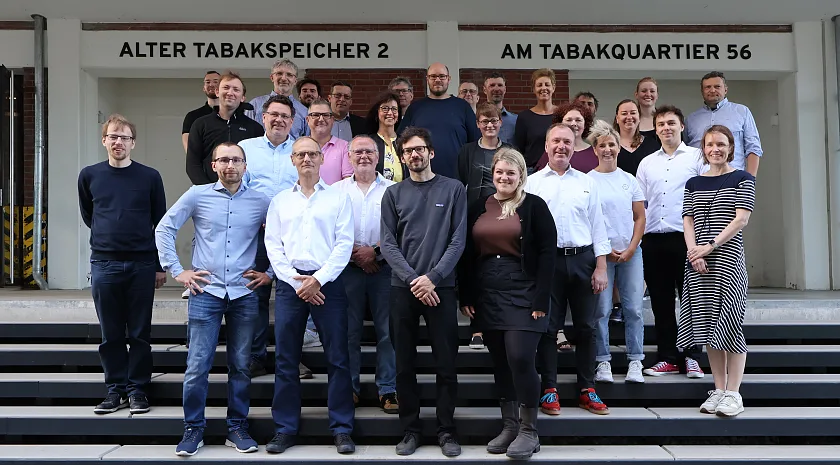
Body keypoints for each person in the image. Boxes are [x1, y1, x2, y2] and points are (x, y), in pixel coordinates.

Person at [156, 142, 271, 456]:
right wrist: (177, 270)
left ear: (245, 165)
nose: (230, 165)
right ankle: (193, 430)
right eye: (224, 159)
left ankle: (237, 428)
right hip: (205, 292)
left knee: (241, 366)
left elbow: (282, 237)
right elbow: (165, 227)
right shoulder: (197, 195)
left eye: (236, 160)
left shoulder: (262, 201)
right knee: (197, 366)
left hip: (244, 293)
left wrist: (270, 273)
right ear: (213, 164)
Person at [458, 148, 555, 460]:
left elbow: (547, 253)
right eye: (499, 172)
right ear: (493, 174)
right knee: (500, 360)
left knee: (520, 357)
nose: (504, 178)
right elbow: (466, 253)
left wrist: (541, 297)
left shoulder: (535, 206)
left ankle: (529, 430)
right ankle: (510, 425)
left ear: (521, 176)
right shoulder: (478, 206)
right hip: (488, 292)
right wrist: (467, 295)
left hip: (525, 292)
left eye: (511, 173)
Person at [263, 137, 356, 455]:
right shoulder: (280, 201)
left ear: (321, 159)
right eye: (300, 154)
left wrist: (317, 280)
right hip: (290, 286)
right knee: (286, 359)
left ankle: (342, 428)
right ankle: (285, 428)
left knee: (338, 359)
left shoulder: (338, 198)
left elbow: (344, 244)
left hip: (328, 284)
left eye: (312, 154)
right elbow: (273, 245)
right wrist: (295, 281)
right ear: (292, 160)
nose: (306, 159)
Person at [381, 127, 467, 457]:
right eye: (408, 152)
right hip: (403, 290)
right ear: (402, 158)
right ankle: (410, 430)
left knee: (446, 364)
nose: (414, 155)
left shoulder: (454, 189)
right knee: (404, 365)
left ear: (431, 152)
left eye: (420, 149)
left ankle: (446, 430)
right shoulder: (393, 194)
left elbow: (457, 240)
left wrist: (432, 278)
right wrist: (415, 280)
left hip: (441, 288)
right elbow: (387, 243)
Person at [78, 114, 166, 416]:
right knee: (111, 333)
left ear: (133, 143)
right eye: (113, 136)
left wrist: (158, 265)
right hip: (104, 263)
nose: (119, 142)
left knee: (140, 332)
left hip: (142, 263)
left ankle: (138, 389)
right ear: (104, 140)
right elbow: (89, 215)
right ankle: (115, 390)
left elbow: (159, 222)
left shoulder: (150, 177)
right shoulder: (90, 175)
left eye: (124, 137)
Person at [525, 123, 611, 416]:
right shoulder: (532, 183)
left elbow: (599, 227)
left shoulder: (588, 182)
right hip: (547, 264)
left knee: (586, 327)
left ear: (575, 147)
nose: (561, 146)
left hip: (583, 260)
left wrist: (601, 267)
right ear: (546, 146)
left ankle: (587, 389)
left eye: (567, 141)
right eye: (556, 141)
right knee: (548, 328)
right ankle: (549, 389)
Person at [679, 125, 755, 417]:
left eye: (721, 144)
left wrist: (708, 247)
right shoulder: (693, 182)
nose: (715, 149)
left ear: (730, 147)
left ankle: (735, 393)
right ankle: (719, 389)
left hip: (728, 261)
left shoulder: (743, 178)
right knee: (709, 327)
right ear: (703, 148)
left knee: (730, 325)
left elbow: (740, 220)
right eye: (710, 144)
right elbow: (687, 220)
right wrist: (693, 252)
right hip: (698, 262)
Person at [238, 95, 315, 380]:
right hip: (255, 234)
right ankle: (256, 356)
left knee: (294, 297)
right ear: (263, 117)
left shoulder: (299, 152)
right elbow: (239, 187)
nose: (279, 120)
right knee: (255, 296)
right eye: (274, 114)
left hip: (292, 236)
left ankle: (291, 359)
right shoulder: (246, 148)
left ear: (292, 121)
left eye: (285, 116)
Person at [636, 105, 706, 379]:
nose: (666, 128)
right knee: (661, 302)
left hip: (686, 239)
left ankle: (692, 356)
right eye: (661, 124)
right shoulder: (647, 163)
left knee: (690, 300)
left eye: (671, 123)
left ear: (682, 126)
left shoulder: (697, 157)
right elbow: (641, 205)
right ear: (655, 129)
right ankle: (667, 357)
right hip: (653, 239)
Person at [333, 136, 399, 414]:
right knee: (348, 332)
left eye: (369, 151)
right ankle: (350, 387)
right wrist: (355, 255)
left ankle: (388, 390)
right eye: (358, 151)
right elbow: (329, 231)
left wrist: (375, 252)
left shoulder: (394, 190)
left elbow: (402, 229)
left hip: (385, 270)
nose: (363, 156)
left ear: (378, 156)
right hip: (346, 271)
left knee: (388, 333)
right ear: (348, 156)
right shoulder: (334, 191)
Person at [585, 120, 647, 385]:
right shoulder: (588, 180)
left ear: (618, 147)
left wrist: (632, 247)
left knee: (633, 308)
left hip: (631, 254)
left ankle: (635, 360)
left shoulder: (629, 180)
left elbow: (639, 217)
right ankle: (603, 361)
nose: (607, 149)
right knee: (602, 310)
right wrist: (605, 249)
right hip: (602, 256)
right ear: (595, 150)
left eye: (612, 144)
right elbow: (586, 219)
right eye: (602, 145)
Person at [457, 102, 514, 350]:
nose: (489, 125)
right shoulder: (467, 150)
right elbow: (460, 184)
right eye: (484, 121)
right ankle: (477, 328)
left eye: (494, 121)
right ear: (478, 124)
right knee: (475, 271)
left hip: (505, 218)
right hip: (475, 218)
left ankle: (501, 324)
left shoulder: (510, 150)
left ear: (500, 123)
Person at [398, 63, 480, 180]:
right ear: (427, 79)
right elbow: (402, 142)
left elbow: (475, 143)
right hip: (420, 178)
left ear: (449, 79)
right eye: (433, 76)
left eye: (442, 76)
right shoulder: (415, 108)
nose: (437, 80)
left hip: (455, 179)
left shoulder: (462, 107)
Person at [186, 71, 263, 185]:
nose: (230, 92)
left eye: (236, 89)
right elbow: (193, 164)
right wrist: (207, 190)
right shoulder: (200, 124)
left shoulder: (255, 128)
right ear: (217, 92)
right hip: (208, 192)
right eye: (226, 87)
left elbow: (258, 164)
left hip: (244, 193)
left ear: (242, 97)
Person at [685, 71, 763, 176]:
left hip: (734, 178)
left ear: (725, 89)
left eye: (717, 86)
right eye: (708, 87)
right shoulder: (691, 119)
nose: (712, 90)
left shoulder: (742, 112)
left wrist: (750, 180)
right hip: (700, 180)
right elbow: (684, 151)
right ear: (702, 91)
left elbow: (753, 148)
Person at [247, 59, 308, 138]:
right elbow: (246, 135)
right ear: (272, 77)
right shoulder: (254, 105)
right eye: (279, 73)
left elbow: (307, 140)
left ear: (295, 80)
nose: (283, 78)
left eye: (289, 75)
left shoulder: (304, 112)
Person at [513, 68, 558, 174]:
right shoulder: (524, 117)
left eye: (547, 84)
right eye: (539, 85)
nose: (544, 88)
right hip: (532, 172)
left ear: (553, 88)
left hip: (557, 170)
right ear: (534, 89)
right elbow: (519, 149)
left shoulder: (562, 115)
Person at [307, 98, 354, 185]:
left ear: (332, 120)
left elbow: (348, 184)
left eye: (325, 115)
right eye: (315, 115)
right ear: (307, 120)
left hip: (335, 198)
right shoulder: (300, 147)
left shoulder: (345, 147)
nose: (321, 119)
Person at [365, 92, 407, 182]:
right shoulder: (369, 142)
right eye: (385, 108)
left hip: (403, 193)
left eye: (394, 109)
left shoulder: (405, 142)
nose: (390, 113)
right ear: (377, 113)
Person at [614, 99, 662, 176]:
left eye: (633, 113)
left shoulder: (652, 145)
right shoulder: (609, 146)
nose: (629, 117)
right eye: (624, 113)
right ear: (617, 118)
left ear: (639, 117)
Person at [552, 100, 597, 173]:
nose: (573, 124)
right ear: (560, 123)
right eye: (569, 120)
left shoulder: (595, 152)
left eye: (578, 120)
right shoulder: (554, 150)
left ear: (585, 124)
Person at [181, 71, 220, 152]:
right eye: (208, 82)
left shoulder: (233, 114)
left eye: (216, 81)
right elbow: (189, 148)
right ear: (203, 88)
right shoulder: (192, 116)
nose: (211, 85)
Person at [483, 72, 518, 146]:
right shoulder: (477, 120)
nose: (496, 89)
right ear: (484, 90)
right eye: (492, 85)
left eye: (500, 85)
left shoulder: (516, 121)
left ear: (505, 89)